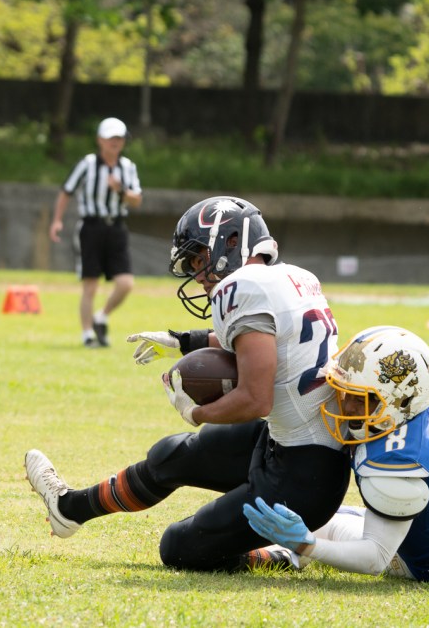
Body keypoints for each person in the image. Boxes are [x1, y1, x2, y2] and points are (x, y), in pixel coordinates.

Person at [26, 195, 351, 571]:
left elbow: (255, 399)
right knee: (173, 455)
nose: (198, 274)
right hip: (301, 449)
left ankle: (283, 556)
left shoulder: (242, 286)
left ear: (231, 241)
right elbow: (259, 341)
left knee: (179, 547)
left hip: (301, 480)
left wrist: (195, 412)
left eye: (199, 259)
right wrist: (183, 341)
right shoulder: (296, 277)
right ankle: (70, 509)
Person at [243, 326, 429, 583]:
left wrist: (306, 544)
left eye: (362, 398)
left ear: (401, 399)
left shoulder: (393, 464)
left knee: (318, 525)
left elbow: (374, 558)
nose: (348, 407)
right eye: (346, 392)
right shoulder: (423, 391)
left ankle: (287, 554)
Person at [48, 117, 142, 348]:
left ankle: (101, 316)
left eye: (119, 138)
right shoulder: (88, 164)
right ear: (100, 140)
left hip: (116, 227)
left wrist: (120, 190)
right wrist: (57, 220)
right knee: (90, 283)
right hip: (91, 227)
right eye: (111, 138)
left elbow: (137, 200)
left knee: (125, 283)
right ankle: (87, 333)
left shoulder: (128, 167)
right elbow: (66, 191)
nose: (115, 142)